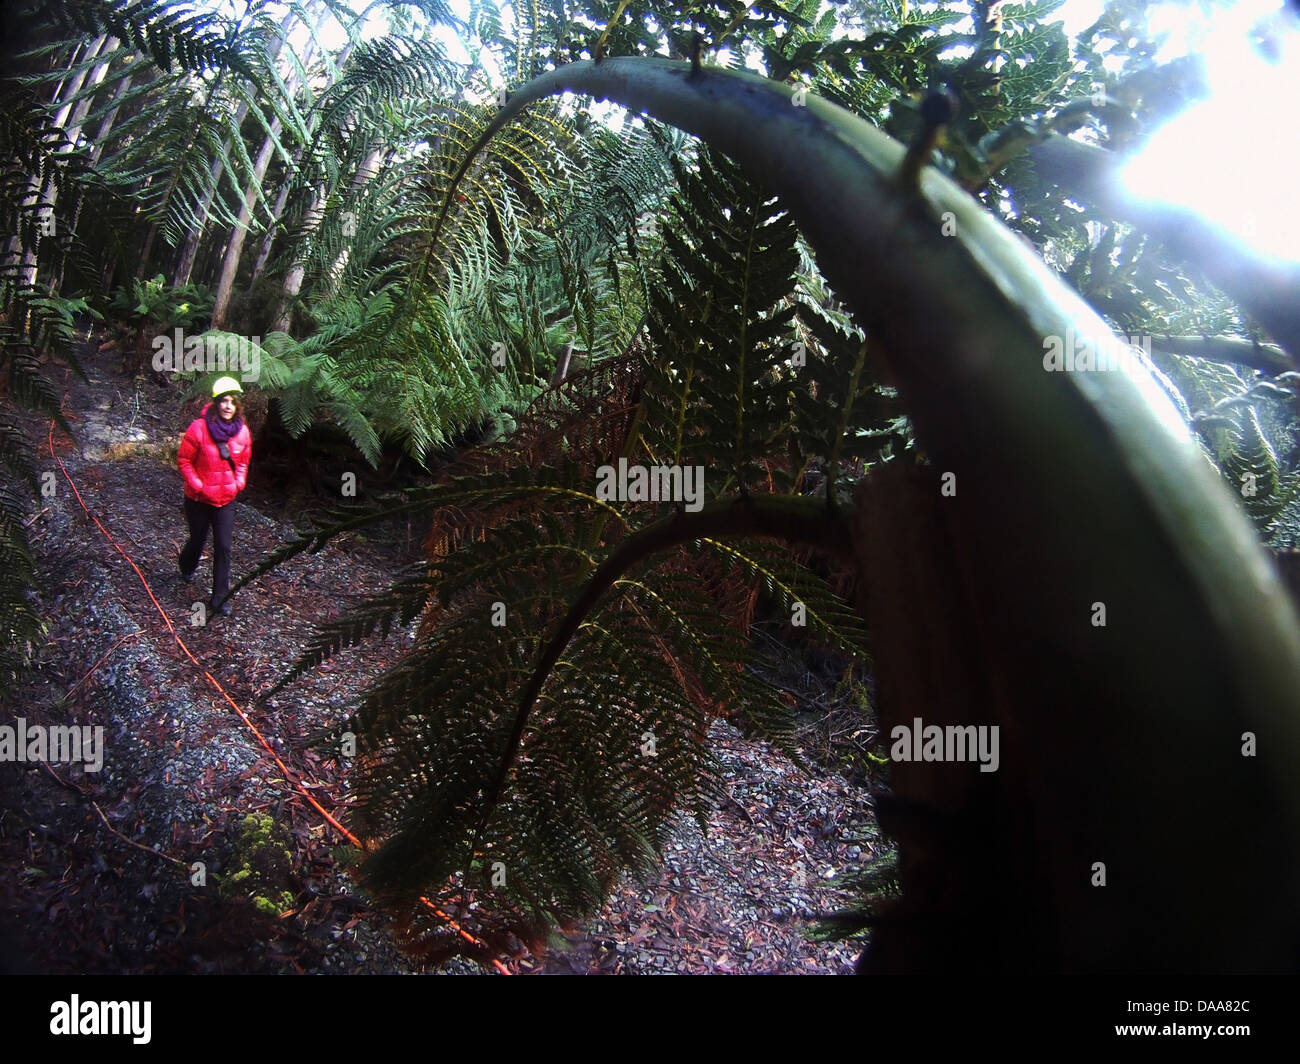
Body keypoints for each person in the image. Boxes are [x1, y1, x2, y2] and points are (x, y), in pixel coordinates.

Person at [177, 376, 252, 618]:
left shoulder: (242, 433)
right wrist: (198, 485)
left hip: (225, 500)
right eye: (224, 401)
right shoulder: (198, 428)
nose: (228, 406)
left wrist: (238, 483)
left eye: (233, 402)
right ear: (216, 403)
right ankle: (187, 565)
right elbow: (184, 460)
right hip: (198, 499)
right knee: (197, 540)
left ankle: (219, 598)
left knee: (223, 546)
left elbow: (243, 463)